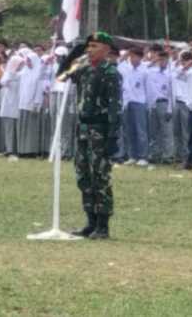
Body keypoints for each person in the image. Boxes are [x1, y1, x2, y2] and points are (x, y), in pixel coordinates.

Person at [63, 32, 122, 240]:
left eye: (94, 46)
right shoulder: (84, 69)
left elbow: (115, 106)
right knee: (83, 175)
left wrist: (112, 136)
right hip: (83, 129)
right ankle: (90, 222)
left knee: (100, 177)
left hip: (100, 130)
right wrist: (73, 54)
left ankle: (103, 225)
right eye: (88, 46)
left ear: (106, 49)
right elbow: (61, 76)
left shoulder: (110, 73)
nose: (90, 50)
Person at [118, 47, 150, 166]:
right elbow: (116, 64)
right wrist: (125, 54)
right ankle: (132, 155)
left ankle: (143, 156)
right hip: (127, 102)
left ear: (140, 58)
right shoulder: (125, 68)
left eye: (135, 57)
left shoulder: (145, 70)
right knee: (129, 130)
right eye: (131, 56)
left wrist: (148, 104)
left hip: (140, 102)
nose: (133, 59)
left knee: (141, 130)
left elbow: (148, 88)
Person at [146, 46, 174, 165]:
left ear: (168, 61)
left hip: (164, 103)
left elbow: (172, 94)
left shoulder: (170, 75)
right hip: (153, 104)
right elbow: (144, 69)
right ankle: (155, 154)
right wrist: (154, 60)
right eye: (160, 59)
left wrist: (170, 109)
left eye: (165, 60)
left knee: (166, 132)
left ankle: (168, 155)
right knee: (154, 132)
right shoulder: (151, 73)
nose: (163, 62)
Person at [170, 50, 192, 165]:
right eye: (182, 60)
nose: (183, 62)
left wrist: (188, 67)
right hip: (176, 102)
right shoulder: (178, 70)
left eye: (186, 60)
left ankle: (187, 156)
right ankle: (177, 155)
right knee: (176, 131)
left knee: (186, 132)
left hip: (186, 104)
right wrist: (182, 66)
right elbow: (174, 75)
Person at [0, 53, 22, 157]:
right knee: (9, 127)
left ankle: (18, 148)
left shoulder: (23, 73)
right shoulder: (8, 73)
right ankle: (9, 149)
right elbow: (3, 82)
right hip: (8, 102)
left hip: (19, 102)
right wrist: (11, 74)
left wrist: (13, 76)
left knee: (18, 127)